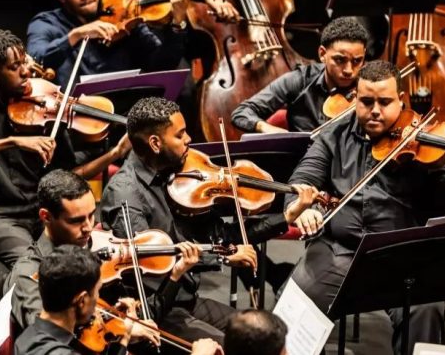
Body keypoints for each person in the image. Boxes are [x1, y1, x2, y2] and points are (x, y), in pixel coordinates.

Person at [284, 60, 445, 355]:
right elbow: (302, 179)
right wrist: (304, 208)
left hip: (400, 255)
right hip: (338, 250)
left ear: (401, 100)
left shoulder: (421, 142)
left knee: (426, 308)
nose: (375, 110)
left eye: (385, 102)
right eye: (366, 101)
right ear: (355, 99)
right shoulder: (333, 136)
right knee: (297, 305)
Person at [100, 97, 318, 343]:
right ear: (155, 143)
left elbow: (225, 237)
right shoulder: (125, 194)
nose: (189, 140)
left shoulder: (176, 178)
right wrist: (223, 255)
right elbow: (154, 259)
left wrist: (287, 216)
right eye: (180, 135)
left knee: (261, 337)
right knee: (237, 347)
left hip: (186, 300)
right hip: (154, 310)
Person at [0, 30, 131, 269]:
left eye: (24, 62)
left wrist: (114, 154)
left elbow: (71, 175)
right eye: (14, 67)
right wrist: (12, 141)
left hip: (44, 213)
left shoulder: (44, 109)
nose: (26, 72)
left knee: (91, 262)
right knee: (31, 270)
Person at [4, 169, 204, 334]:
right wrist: (117, 329)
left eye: (91, 215)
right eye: (76, 221)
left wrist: (175, 277)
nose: (89, 227)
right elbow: (48, 334)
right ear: (46, 217)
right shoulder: (28, 273)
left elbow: (144, 317)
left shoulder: (97, 252)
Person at [26, 0, 188, 89]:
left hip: (124, 110)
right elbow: (36, 60)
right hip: (75, 116)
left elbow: (161, 65)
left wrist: (177, 24)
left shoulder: (124, 16)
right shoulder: (46, 24)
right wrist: (76, 35)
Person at [14, 245, 175, 355]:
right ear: (82, 301)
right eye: (98, 292)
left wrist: (123, 337)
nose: (99, 301)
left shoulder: (27, 337)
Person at [232, 17, 369, 134]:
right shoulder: (301, 79)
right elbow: (242, 112)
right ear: (322, 54)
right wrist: (265, 127)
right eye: (340, 60)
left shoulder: (369, 85)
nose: (349, 70)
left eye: (357, 61)